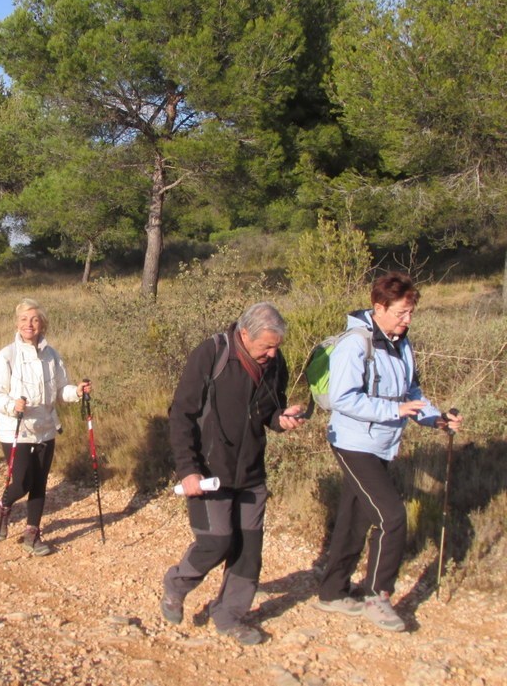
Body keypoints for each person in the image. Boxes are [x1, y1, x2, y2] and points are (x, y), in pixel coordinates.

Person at [316, 271, 463, 632]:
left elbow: (411, 391)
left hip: (383, 443)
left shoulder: (400, 342)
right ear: (378, 307)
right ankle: (377, 597)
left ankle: (333, 592)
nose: (407, 319)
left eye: (411, 312)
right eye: (401, 312)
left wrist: (436, 420)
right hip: (353, 442)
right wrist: (392, 411)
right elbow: (343, 399)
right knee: (392, 517)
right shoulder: (355, 344)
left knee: (355, 517)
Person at [161, 302, 306, 645]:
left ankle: (229, 614)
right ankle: (177, 584)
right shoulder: (211, 354)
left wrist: (282, 419)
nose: (272, 353)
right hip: (210, 471)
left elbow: (270, 410)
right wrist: (187, 469)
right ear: (244, 334)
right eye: (266, 346)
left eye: (276, 347)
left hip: (252, 471)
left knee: (249, 550)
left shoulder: (274, 363)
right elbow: (181, 414)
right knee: (216, 541)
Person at [0, 298, 90, 557]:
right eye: (23, 319)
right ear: (16, 323)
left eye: (34, 319)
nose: (28, 324)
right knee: (21, 482)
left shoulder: (52, 355)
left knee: (40, 482)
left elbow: (60, 390)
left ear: (42, 324)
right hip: (15, 429)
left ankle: (33, 533)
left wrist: (76, 391)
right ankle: (2, 506)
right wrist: (12, 405)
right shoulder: (6, 356)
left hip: (45, 427)